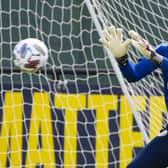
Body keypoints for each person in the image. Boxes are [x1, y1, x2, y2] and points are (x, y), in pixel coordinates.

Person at [99, 25, 168, 168]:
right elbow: (134, 74)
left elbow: (160, 61)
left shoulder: (160, 56)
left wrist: (157, 59)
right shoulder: (164, 50)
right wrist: (122, 59)